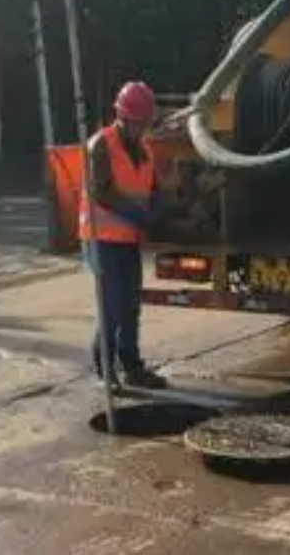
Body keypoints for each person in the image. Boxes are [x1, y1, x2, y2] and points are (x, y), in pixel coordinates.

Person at [80, 81, 167, 390]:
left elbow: (153, 186)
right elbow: (101, 192)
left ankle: (133, 367)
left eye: (145, 123)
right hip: (102, 240)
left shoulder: (143, 149)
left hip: (129, 239)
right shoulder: (100, 145)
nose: (141, 128)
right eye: (137, 122)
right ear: (123, 116)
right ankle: (106, 370)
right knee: (112, 306)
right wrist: (139, 214)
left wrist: (159, 202)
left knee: (130, 306)